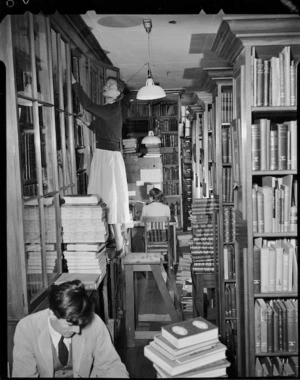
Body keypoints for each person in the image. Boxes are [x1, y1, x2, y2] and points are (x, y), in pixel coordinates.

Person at [12, 280, 129, 378]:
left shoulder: (94, 323)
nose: (78, 330)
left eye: (81, 324)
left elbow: (111, 366)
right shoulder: (26, 329)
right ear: (52, 314)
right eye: (71, 324)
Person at [72, 75, 130, 257]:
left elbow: (88, 105)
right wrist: (86, 123)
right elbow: (101, 130)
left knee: (111, 197)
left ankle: (119, 241)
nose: (106, 86)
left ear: (118, 93)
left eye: (110, 85)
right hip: (103, 155)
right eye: (106, 84)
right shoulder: (109, 110)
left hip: (110, 158)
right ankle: (116, 236)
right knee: (105, 196)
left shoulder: (113, 108)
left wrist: (75, 84)